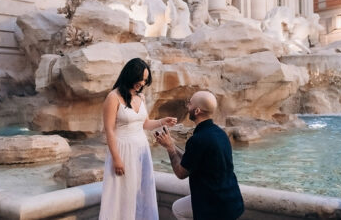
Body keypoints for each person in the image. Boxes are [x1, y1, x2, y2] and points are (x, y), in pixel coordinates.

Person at [99, 58, 177, 220]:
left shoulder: (140, 97)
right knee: (123, 193)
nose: (142, 83)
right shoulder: (113, 97)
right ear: (130, 75)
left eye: (145, 80)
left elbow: (145, 123)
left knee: (140, 192)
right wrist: (116, 159)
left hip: (141, 151)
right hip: (122, 151)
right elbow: (109, 131)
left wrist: (163, 121)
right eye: (140, 78)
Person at [155, 91, 244, 220]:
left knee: (178, 209)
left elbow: (181, 173)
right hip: (232, 201)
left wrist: (170, 148)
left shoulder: (198, 139)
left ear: (197, 111)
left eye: (189, 103)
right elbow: (192, 159)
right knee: (179, 207)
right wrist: (171, 144)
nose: (187, 106)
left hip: (213, 206)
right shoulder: (220, 133)